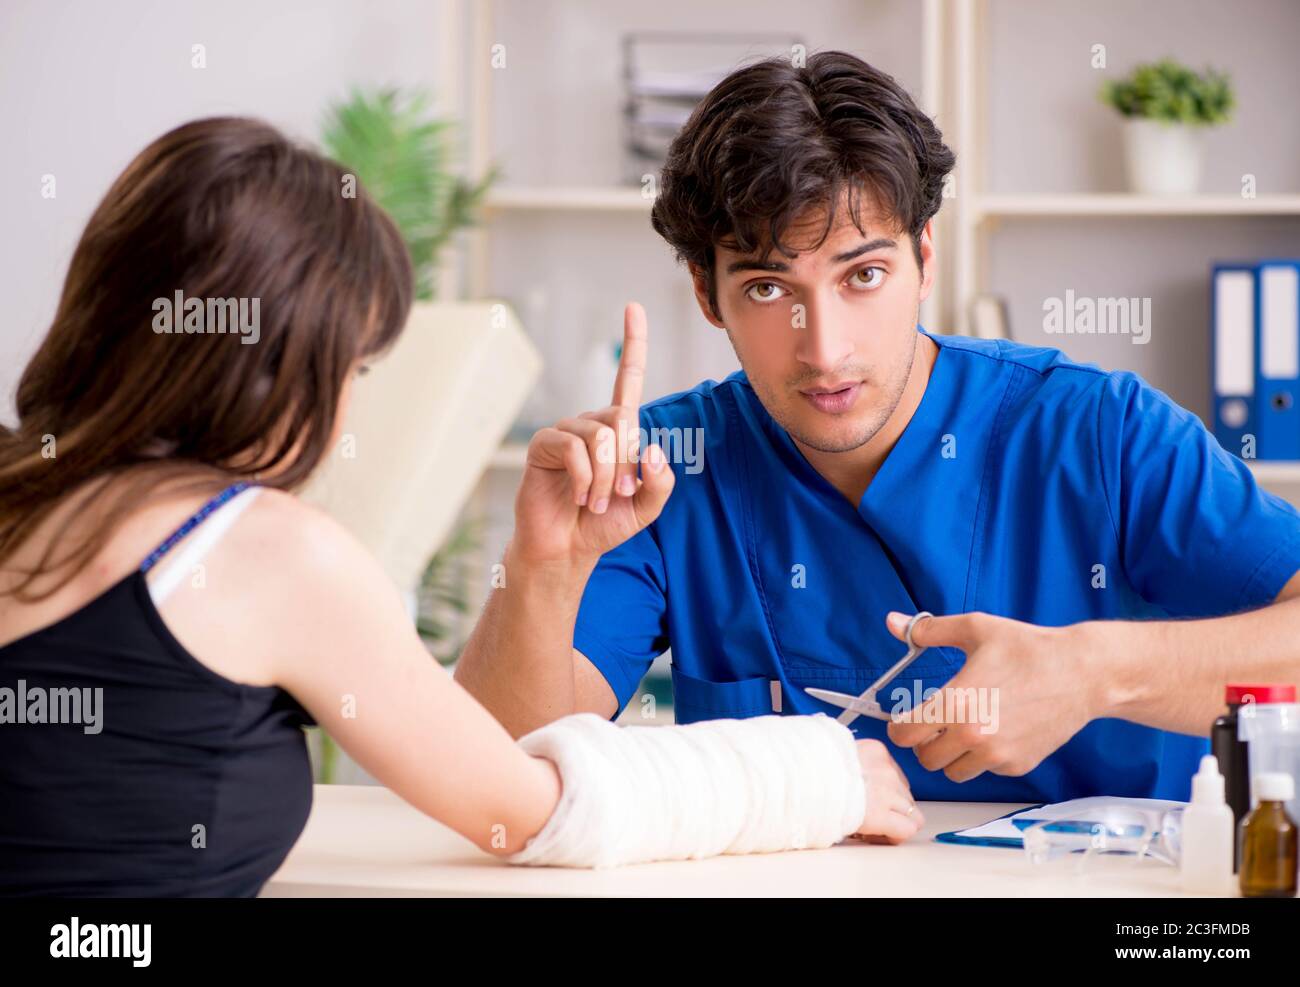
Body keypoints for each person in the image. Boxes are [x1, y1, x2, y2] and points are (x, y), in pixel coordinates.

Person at [0, 117, 920, 897]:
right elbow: (522, 808)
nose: (349, 405)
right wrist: (818, 775)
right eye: (352, 369)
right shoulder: (263, 551)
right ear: (275, 364)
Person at [454, 50, 1300, 804]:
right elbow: (501, 771)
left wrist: (1095, 674)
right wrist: (540, 567)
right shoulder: (663, 474)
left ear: (925, 258)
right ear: (707, 294)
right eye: (766, 288)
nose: (824, 349)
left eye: (862, 274)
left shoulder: (1100, 431)